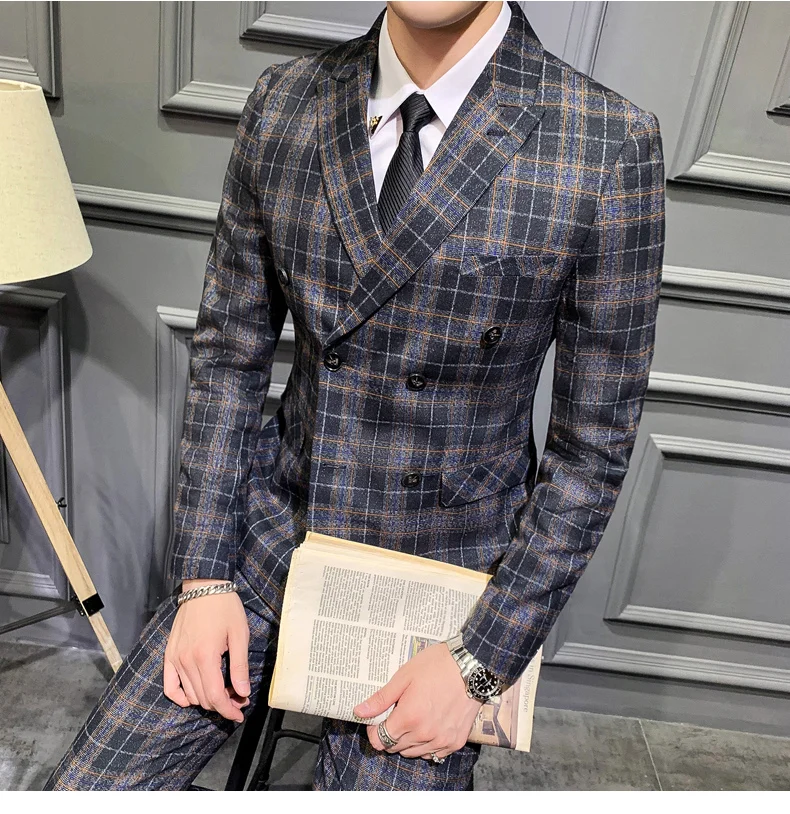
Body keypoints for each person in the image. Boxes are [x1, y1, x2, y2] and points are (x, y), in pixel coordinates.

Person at [45, 0, 665, 791]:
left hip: (442, 592)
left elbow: (590, 454)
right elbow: (230, 357)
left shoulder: (606, 143)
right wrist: (203, 579)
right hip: (275, 543)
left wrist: (480, 664)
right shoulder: (286, 101)